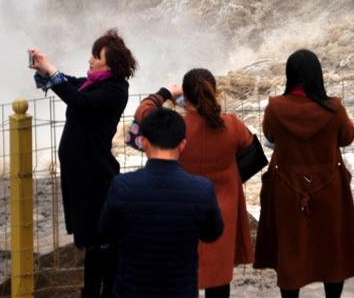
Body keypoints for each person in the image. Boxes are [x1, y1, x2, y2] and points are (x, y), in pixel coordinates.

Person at [29, 28, 136, 298]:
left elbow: (79, 101)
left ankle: (105, 292)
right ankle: (92, 292)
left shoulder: (114, 91)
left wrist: (52, 70)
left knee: (101, 240)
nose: (90, 60)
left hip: (95, 175)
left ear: (111, 64)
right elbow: (69, 84)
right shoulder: (93, 83)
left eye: (96, 56)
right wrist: (44, 69)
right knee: (92, 240)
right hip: (82, 174)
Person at [253, 49, 354, 298]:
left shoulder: (275, 107)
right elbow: (347, 137)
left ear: (289, 75)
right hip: (328, 187)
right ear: (318, 75)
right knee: (331, 251)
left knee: (291, 250)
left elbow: (270, 136)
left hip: (287, 187)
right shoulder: (334, 108)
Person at [134, 69, 254, 298]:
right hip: (222, 211)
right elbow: (248, 146)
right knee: (219, 279)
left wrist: (166, 93)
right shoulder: (232, 125)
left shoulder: (176, 127)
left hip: (181, 208)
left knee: (182, 274)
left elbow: (143, 112)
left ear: (185, 96)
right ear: (214, 92)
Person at [100, 108, 224, 298]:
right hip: (181, 291)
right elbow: (212, 233)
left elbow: (106, 231)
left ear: (144, 143)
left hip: (131, 290)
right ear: (182, 145)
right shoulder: (202, 189)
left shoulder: (122, 185)